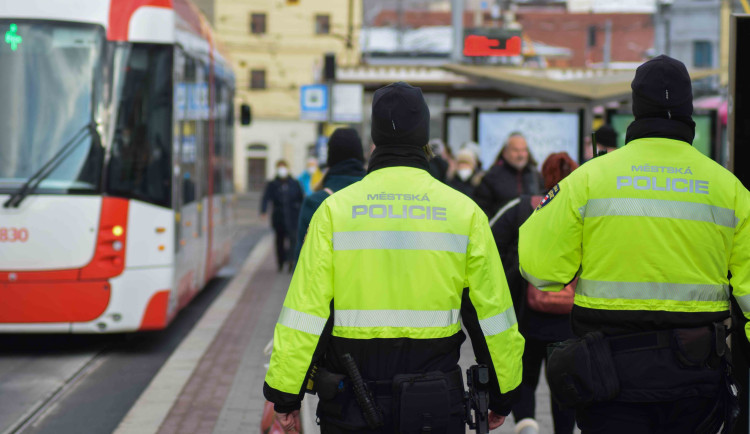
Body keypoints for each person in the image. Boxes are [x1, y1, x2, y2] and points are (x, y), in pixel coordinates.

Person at [263, 82, 524, 433]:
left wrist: (284, 395)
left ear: (375, 135)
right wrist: (503, 391)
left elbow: (305, 313)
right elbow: (491, 314)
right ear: (424, 136)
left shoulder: (334, 212)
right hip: (434, 402)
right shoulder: (465, 213)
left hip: (349, 399)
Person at [518, 55, 750, 434]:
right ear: (689, 108)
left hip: (609, 375)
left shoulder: (590, 179)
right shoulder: (730, 188)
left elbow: (540, 269)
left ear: (636, 107)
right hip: (695, 375)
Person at [490, 152, 579, 434]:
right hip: (570, 319)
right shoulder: (585, 210)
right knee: (564, 383)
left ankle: (527, 425)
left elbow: (489, 242)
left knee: (526, 377)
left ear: (543, 175)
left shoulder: (521, 206)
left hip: (526, 312)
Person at [293, 127, 366, 263]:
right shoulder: (378, 198)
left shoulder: (315, 202)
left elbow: (303, 262)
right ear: (361, 157)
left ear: (330, 159)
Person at [474, 133, 544, 218]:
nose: (520, 155)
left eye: (524, 150)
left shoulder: (536, 176)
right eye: (515, 150)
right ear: (505, 152)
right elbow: (481, 207)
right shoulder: (492, 177)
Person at [261, 160, 304, 272]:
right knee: (279, 241)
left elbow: (301, 198)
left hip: (293, 216)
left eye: (283, 167)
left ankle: (291, 261)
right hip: (278, 217)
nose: (282, 170)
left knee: (293, 240)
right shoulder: (273, 184)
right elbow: (266, 198)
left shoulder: (295, 183)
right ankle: (280, 262)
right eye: (279, 167)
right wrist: (263, 211)